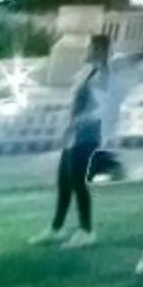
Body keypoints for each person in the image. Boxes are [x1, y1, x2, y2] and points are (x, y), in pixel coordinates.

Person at [45, 35, 111, 246]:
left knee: (77, 182)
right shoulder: (87, 72)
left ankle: (86, 230)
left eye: (92, 48)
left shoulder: (101, 75)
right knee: (64, 182)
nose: (87, 51)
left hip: (87, 135)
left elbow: (100, 108)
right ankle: (57, 228)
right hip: (74, 134)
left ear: (101, 51)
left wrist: (77, 122)